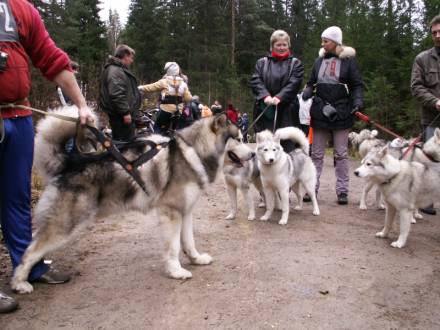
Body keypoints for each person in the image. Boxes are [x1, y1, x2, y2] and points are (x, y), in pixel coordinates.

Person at [0, 0, 93, 313]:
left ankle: (30, 266)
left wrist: (80, 104)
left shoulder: (19, 8)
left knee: (17, 197)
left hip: (19, 115)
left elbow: (52, 59)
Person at [302, 26, 364, 205]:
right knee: (317, 154)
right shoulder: (318, 61)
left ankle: (342, 191)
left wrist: (357, 102)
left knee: (341, 154)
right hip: (320, 109)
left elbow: (357, 84)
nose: (322, 44)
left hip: (342, 110)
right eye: (322, 40)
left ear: (336, 41)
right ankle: (311, 188)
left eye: (326, 40)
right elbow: (311, 82)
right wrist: (307, 91)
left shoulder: (349, 61)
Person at [250, 29, 304, 152]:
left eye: (284, 44)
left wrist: (279, 97)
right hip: (265, 109)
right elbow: (255, 81)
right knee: (266, 148)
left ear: (288, 45)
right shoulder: (261, 63)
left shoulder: (296, 64)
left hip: (287, 111)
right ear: (272, 46)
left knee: (287, 148)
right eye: (278, 45)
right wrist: (265, 96)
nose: (281, 47)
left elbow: (294, 83)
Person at [411, 15, 440, 216]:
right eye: (434, 33)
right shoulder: (422, 58)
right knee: (429, 162)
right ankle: (427, 201)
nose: (437, 35)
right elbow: (416, 87)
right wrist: (435, 101)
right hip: (431, 118)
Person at [99, 44, 141, 141]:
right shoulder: (116, 71)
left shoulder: (118, 69)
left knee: (123, 142)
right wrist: (125, 113)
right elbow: (117, 94)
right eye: (131, 57)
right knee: (125, 144)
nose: (132, 60)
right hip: (120, 116)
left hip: (121, 115)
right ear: (125, 55)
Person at [138, 62, 192, 135]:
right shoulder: (183, 84)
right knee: (173, 130)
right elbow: (188, 98)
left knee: (157, 128)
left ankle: (156, 142)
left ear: (168, 71)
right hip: (178, 112)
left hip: (165, 110)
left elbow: (151, 87)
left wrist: (140, 88)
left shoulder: (164, 81)